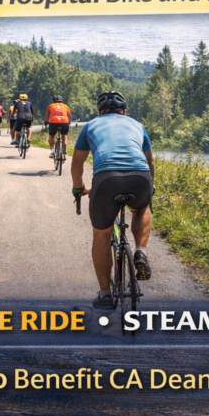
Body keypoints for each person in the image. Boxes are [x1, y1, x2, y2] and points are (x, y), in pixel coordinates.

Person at [71, 91, 155, 308]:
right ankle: (140, 251)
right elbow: (150, 161)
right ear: (124, 111)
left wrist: (78, 189)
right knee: (142, 207)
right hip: (140, 175)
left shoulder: (90, 126)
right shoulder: (137, 125)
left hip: (106, 179)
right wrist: (150, 187)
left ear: (100, 112)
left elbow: (78, 162)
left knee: (101, 234)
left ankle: (105, 295)